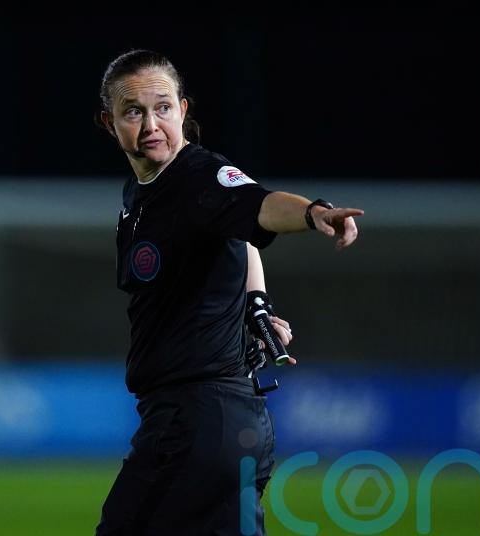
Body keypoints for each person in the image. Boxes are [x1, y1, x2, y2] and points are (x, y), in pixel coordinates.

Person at [95, 49, 363, 535]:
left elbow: (258, 206)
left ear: (183, 110)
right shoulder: (141, 195)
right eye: (133, 111)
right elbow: (236, 233)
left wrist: (311, 213)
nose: (151, 123)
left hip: (195, 421)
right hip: (228, 421)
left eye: (163, 107)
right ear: (109, 123)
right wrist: (257, 303)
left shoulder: (198, 176)